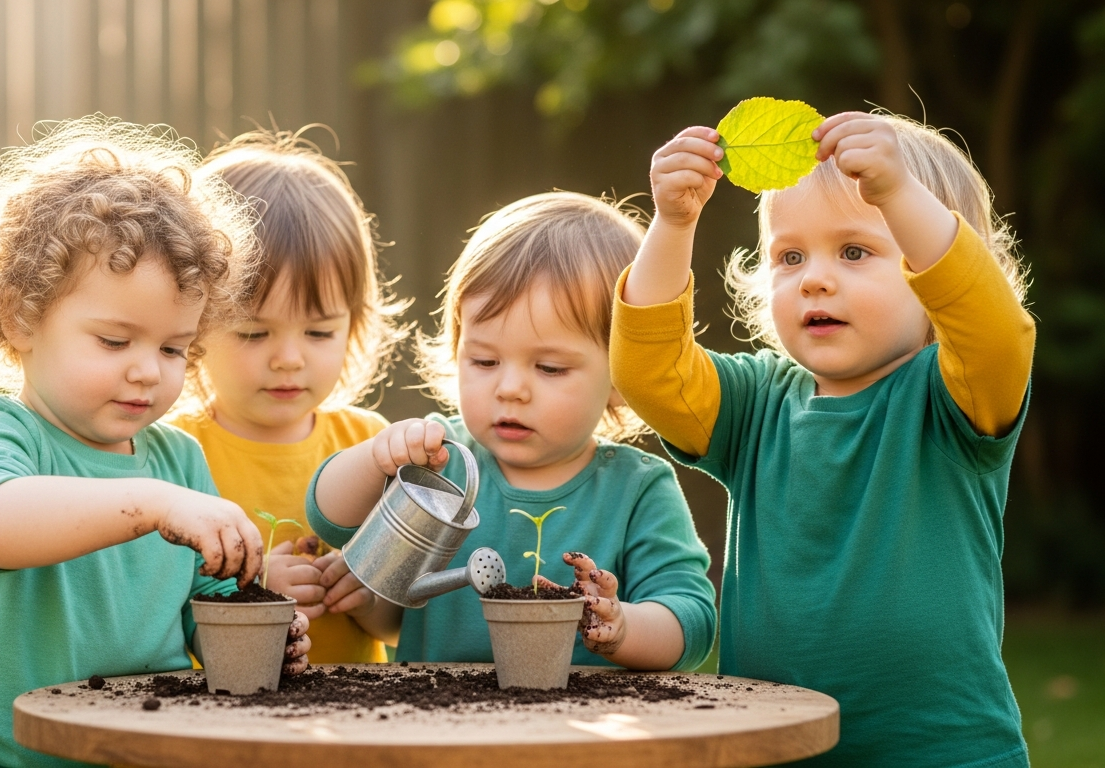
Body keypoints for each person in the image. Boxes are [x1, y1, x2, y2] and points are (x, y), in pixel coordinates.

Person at [612, 112, 1034, 766]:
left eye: (855, 251)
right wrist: (673, 224)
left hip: (945, 752)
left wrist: (895, 192)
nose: (814, 277)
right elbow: (651, 373)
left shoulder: (952, 398)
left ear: (936, 277)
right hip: (773, 750)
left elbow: (994, 329)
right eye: (789, 255)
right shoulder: (755, 404)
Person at [0, 116, 310, 768]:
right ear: (22, 318)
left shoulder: (178, 461)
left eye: (175, 348)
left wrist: (264, 634)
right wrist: (152, 505)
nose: (148, 369)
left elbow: (210, 606)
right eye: (115, 341)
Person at [308, 192, 716, 671]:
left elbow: (692, 619)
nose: (510, 389)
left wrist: (624, 627)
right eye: (484, 361)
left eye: (549, 367)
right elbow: (329, 519)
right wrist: (377, 459)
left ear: (623, 376)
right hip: (434, 725)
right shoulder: (443, 461)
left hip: (579, 734)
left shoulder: (637, 489)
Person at [169, 128, 408, 662]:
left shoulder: (371, 446)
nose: (289, 358)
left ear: (354, 323)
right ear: (195, 322)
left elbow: (401, 627)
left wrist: (369, 594)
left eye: (319, 332)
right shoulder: (174, 455)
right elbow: (154, 611)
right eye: (255, 333)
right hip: (218, 722)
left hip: (357, 724)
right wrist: (252, 590)